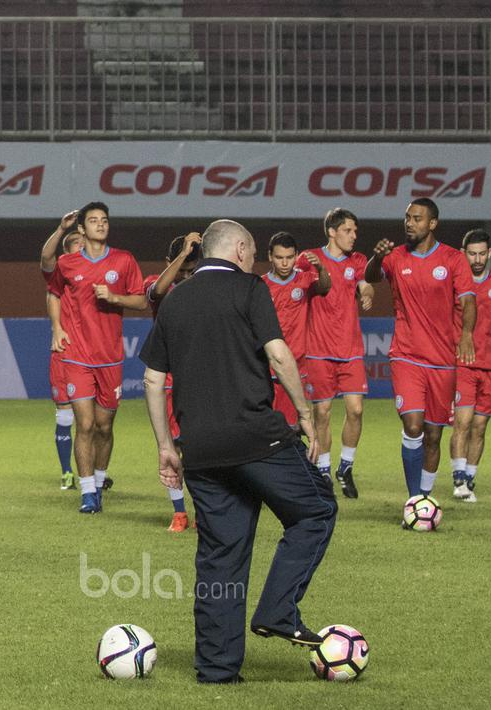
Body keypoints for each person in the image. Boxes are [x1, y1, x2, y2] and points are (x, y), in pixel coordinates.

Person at [140, 219, 337, 684]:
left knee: (220, 555)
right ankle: (279, 610)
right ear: (242, 249)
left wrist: (167, 448)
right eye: (253, 253)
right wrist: (306, 414)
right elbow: (279, 354)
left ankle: (216, 667)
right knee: (316, 510)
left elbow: (152, 380)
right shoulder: (249, 288)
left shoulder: (175, 300)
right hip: (256, 437)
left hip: (200, 450)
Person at [365, 198, 476, 505]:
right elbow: (371, 276)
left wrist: (466, 334)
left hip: (442, 361)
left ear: (432, 224)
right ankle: (415, 500)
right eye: (407, 218)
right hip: (406, 355)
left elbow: (468, 301)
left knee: (433, 435)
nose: (409, 223)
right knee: (413, 424)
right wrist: (376, 258)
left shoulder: (453, 259)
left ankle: (424, 495)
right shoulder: (396, 257)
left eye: (416, 218)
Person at [46, 201, 146, 513]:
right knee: (85, 424)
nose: (100, 225)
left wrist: (115, 297)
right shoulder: (68, 263)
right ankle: (87, 493)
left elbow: (142, 300)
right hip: (76, 356)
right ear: (82, 228)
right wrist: (57, 327)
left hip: (110, 357)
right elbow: (52, 288)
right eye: (93, 220)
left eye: (104, 220)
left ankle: (99, 482)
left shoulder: (124, 260)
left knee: (104, 426)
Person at [300, 208, 373, 499]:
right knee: (322, 412)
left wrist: (367, 293)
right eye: (348, 230)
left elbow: (365, 284)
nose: (353, 236)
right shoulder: (309, 258)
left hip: (350, 349)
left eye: (355, 231)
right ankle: (324, 471)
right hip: (318, 349)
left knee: (355, 410)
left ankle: (346, 467)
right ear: (332, 231)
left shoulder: (358, 261)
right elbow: (309, 288)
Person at [143, 232, 201, 532]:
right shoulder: (159, 283)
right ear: (170, 263)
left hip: (199, 380)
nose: (187, 276)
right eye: (182, 270)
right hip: (167, 383)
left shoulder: (205, 289)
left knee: (200, 449)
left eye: (192, 270)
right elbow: (156, 291)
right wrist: (182, 256)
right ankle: (179, 512)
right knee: (170, 447)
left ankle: (203, 512)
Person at [450, 229, 491, 503]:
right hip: (462, 365)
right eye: (472, 253)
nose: (477, 258)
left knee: (480, 427)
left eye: (482, 253)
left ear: (490, 253)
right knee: (462, 421)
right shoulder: (454, 284)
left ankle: (470, 478)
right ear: (463, 254)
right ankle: (458, 479)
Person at [262, 232, 331, 429]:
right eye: (279, 257)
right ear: (270, 256)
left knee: (294, 426)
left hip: (296, 364)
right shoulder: (261, 285)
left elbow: (325, 287)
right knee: (267, 426)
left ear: (296, 256)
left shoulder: (305, 280)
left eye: (289, 258)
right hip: (267, 366)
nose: (285, 263)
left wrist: (320, 267)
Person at [38, 212, 85, 491]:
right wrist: (61, 228)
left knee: (92, 421)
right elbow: (46, 258)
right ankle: (67, 472)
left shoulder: (96, 274)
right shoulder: (61, 271)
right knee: (65, 415)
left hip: (91, 354)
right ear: (66, 252)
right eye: (77, 242)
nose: (83, 244)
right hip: (63, 352)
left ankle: (93, 474)